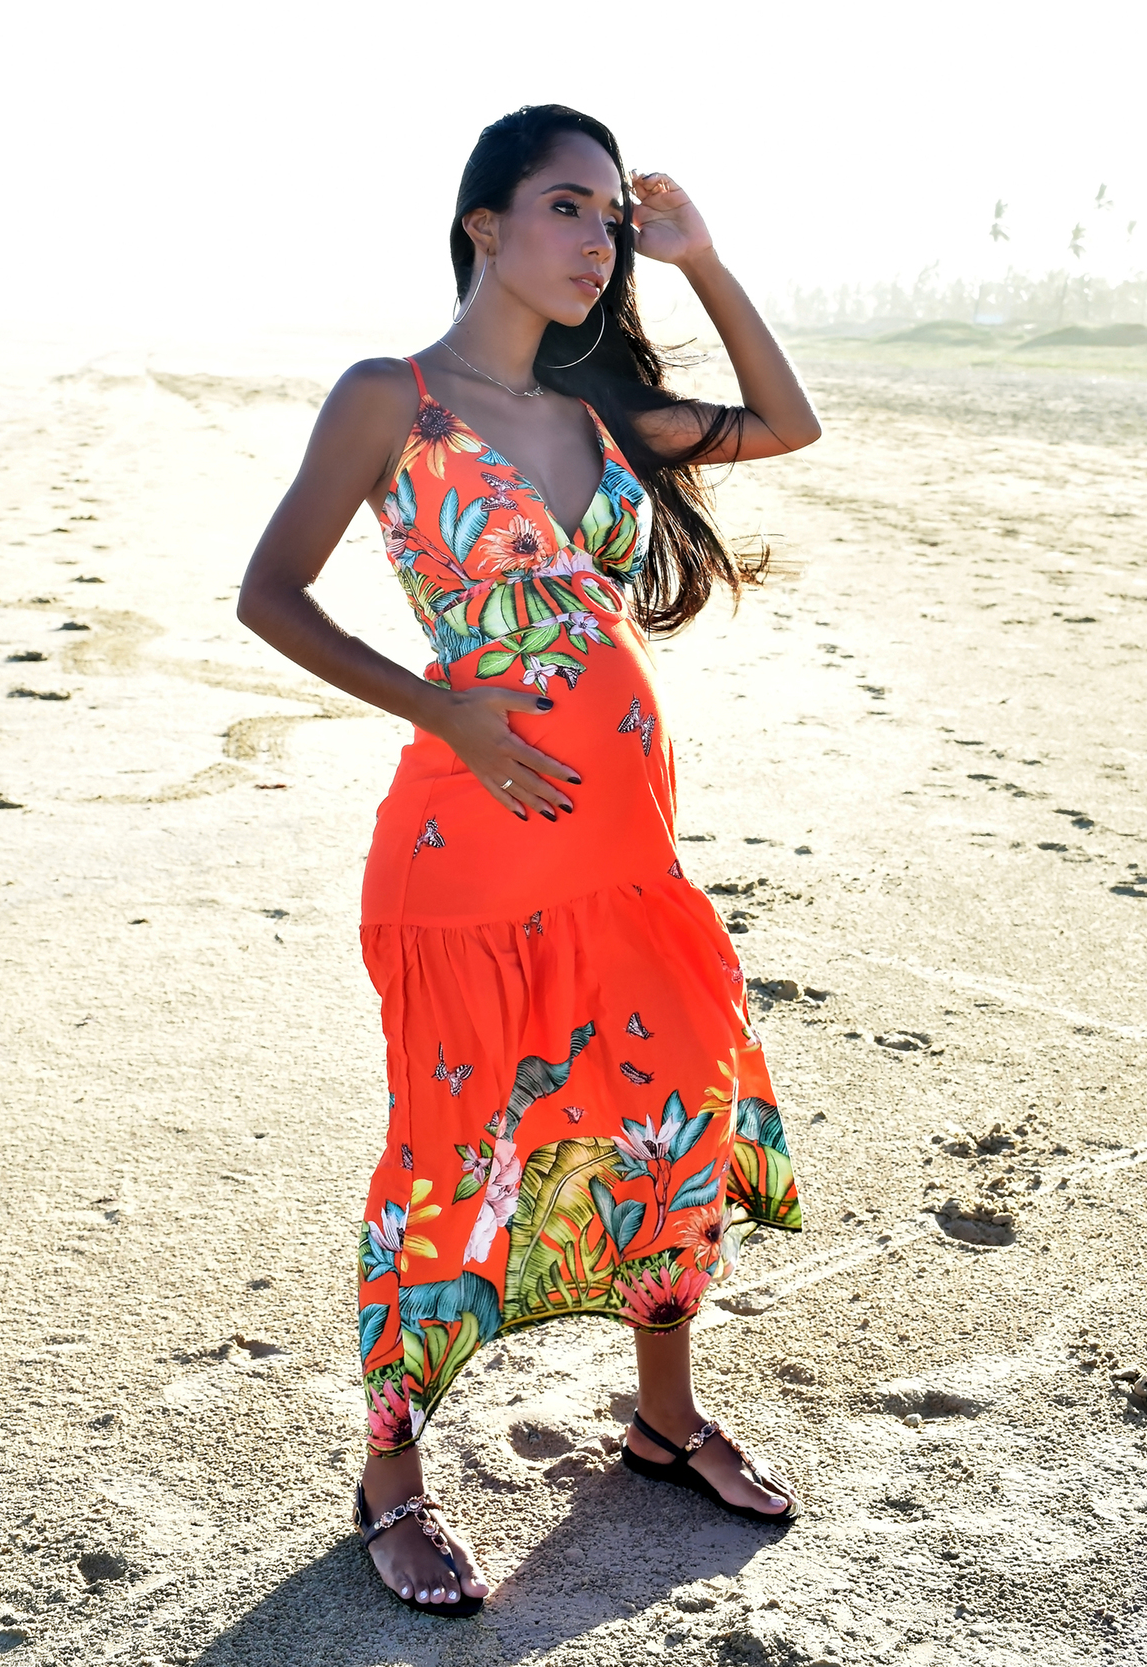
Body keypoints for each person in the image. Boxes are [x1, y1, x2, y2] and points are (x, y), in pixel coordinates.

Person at [238, 103, 820, 1619]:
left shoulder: (601, 410)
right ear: (484, 224)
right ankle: (390, 1478)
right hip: (468, 854)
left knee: (675, 1113)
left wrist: (701, 260)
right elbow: (270, 593)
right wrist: (443, 708)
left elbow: (787, 421)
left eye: (613, 217)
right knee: (453, 1159)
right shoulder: (394, 397)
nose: (599, 239)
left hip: (630, 853)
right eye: (568, 206)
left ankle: (664, 1419)